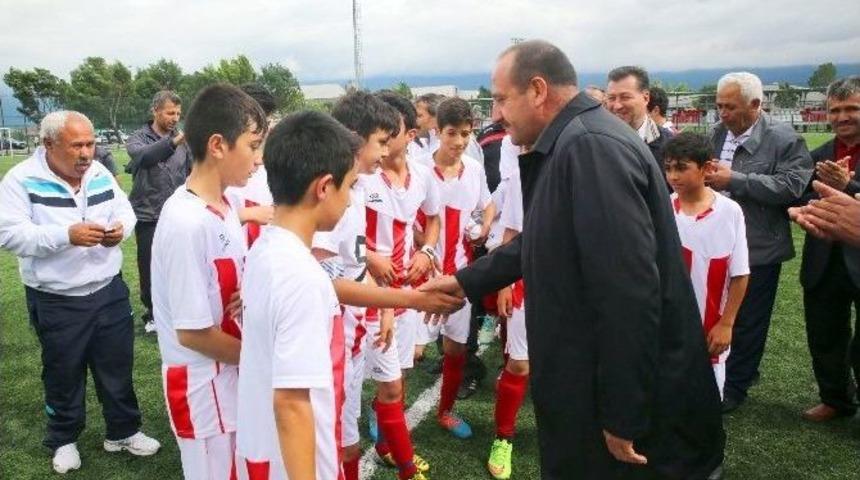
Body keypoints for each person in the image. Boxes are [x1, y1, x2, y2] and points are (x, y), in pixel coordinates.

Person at [421, 39, 725, 479]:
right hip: (589, 382)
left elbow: (629, 291)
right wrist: (467, 280)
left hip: (621, 403)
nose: (498, 114)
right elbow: (545, 240)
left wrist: (624, 412)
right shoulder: (573, 141)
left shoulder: (590, 148)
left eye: (503, 99)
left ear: (538, 90)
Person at [0, 111, 160, 474]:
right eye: (77, 145)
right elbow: (9, 234)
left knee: (117, 365)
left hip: (108, 289)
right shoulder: (21, 180)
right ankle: (63, 439)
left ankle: (123, 431)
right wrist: (65, 236)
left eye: (90, 143)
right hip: (56, 297)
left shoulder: (99, 172)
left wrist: (122, 228)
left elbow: (125, 209)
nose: (86, 153)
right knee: (63, 371)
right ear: (49, 144)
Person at [316, 90, 455, 480]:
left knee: (385, 394)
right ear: (356, 138)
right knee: (338, 435)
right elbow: (327, 275)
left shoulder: (360, 191)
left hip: (374, 311)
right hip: (341, 327)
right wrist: (407, 299)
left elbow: (353, 257)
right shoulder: (338, 194)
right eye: (380, 139)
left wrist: (392, 301)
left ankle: (402, 464)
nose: (383, 150)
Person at [150, 84, 267, 479]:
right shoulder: (185, 222)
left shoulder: (227, 205)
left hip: (232, 374)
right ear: (218, 145)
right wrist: (264, 360)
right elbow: (194, 334)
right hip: (203, 389)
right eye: (253, 146)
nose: (258, 159)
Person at [236, 110, 358, 480]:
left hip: (267, 452)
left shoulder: (267, 249)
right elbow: (291, 403)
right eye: (349, 186)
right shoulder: (301, 276)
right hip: (295, 463)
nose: (351, 200)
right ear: (323, 187)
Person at [706, 71, 813, 412]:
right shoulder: (716, 132)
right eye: (719, 105)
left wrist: (735, 180)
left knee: (748, 319)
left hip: (759, 247)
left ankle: (736, 386)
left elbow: (793, 186)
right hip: (718, 240)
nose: (723, 113)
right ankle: (717, 375)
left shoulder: (784, 137)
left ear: (755, 104)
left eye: (730, 107)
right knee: (715, 313)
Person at [362, 91, 442, 468]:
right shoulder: (362, 175)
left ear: (408, 134)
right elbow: (335, 232)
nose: (380, 136)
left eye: (387, 130)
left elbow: (434, 219)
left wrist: (427, 252)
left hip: (406, 289)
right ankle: (393, 447)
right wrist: (369, 255)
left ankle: (385, 438)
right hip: (367, 291)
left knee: (402, 371)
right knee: (389, 381)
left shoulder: (423, 175)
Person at [415, 97, 495, 439]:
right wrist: (423, 244)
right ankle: (383, 413)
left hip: (460, 275)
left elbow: (488, 204)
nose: (460, 141)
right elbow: (408, 222)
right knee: (411, 353)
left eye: (466, 133)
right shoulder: (418, 168)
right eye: (452, 133)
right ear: (438, 131)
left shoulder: (474, 169)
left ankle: (445, 411)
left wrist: (485, 228)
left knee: (456, 348)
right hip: (423, 275)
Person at [664, 132, 750, 402]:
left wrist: (727, 323)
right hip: (668, 324)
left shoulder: (730, 211)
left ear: (707, 168)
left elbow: (740, 273)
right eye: (668, 168)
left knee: (707, 400)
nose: (673, 176)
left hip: (709, 324)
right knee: (667, 398)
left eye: (681, 168)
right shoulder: (662, 208)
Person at [795, 76, 860, 422]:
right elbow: (802, 195)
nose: (843, 116)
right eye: (835, 110)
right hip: (824, 259)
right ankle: (835, 399)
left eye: (852, 108)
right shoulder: (817, 154)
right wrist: (807, 208)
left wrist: (848, 185)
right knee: (825, 334)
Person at [126, 90, 192, 333]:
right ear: (155, 110)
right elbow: (144, 157)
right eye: (169, 113)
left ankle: (177, 309)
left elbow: (192, 171)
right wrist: (175, 141)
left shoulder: (184, 141)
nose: (174, 118)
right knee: (150, 265)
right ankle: (153, 313)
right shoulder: (138, 138)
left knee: (178, 263)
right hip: (148, 214)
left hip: (178, 214)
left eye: (177, 113)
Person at [487, 166, 529, 480]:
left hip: (575, 286)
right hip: (527, 282)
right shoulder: (520, 175)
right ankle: (503, 437)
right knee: (519, 365)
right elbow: (511, 232)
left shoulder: (586, 165)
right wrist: (504, 283)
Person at [606, 66, 673, 162]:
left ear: (646, 98)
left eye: (625, 97)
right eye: (611, 98)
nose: (617, 106)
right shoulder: (597, 142)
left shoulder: (669, 144)